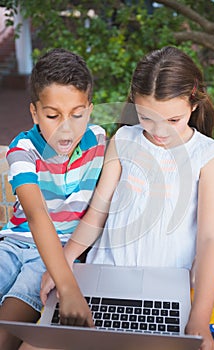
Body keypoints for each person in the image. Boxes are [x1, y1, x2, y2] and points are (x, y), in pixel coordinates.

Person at [36, 45, 214, 350]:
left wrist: (200, 317)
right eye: (147, 118)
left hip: (166, 290)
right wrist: (64, 260)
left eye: (173, 120)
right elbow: (97, 213)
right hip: (104, 277)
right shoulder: (124, 140)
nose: (159, 132)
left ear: (193, 101)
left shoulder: (207, 155)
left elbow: (210, 240)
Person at [0, 48, 106, 350]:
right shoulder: (22, 150)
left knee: (5, 333)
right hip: (14, 244)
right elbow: (36, 216)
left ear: (89, 109)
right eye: (52, 115)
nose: (66, 128)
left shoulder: (99, 141)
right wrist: (68, 288)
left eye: (77, 114)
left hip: (51, 256)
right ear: (35, 112)